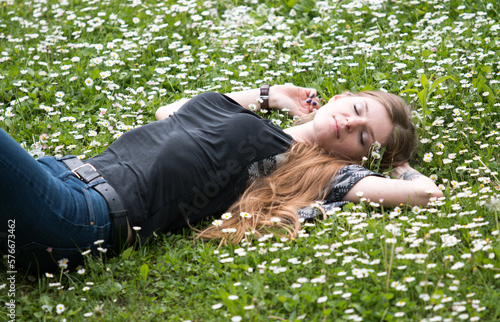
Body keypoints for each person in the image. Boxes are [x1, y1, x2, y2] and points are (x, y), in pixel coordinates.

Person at [0, 84, 442, 272]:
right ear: (343, 98)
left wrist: (397, 164)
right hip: (59, 170)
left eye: (365, 138)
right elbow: (169, 114)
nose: (349, 124)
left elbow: (425, 193)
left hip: (81, 218)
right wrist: (272, 97)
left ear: (360, 158)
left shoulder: (314, 170)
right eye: (358, 111)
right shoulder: (262, 120)